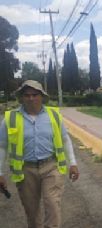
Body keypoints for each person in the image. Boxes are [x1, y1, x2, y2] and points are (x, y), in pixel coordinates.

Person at [0, 80, 79, 228]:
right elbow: (2, 147)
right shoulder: (9, 119)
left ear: (42, 96)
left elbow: (65, 139)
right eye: (27, 95)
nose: (31, 98)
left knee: (53, 205)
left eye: (35, 94)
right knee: (32, 211)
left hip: (51, 166)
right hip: (26, 170)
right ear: (21, 97)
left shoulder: (54, 115)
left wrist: (73, 163)